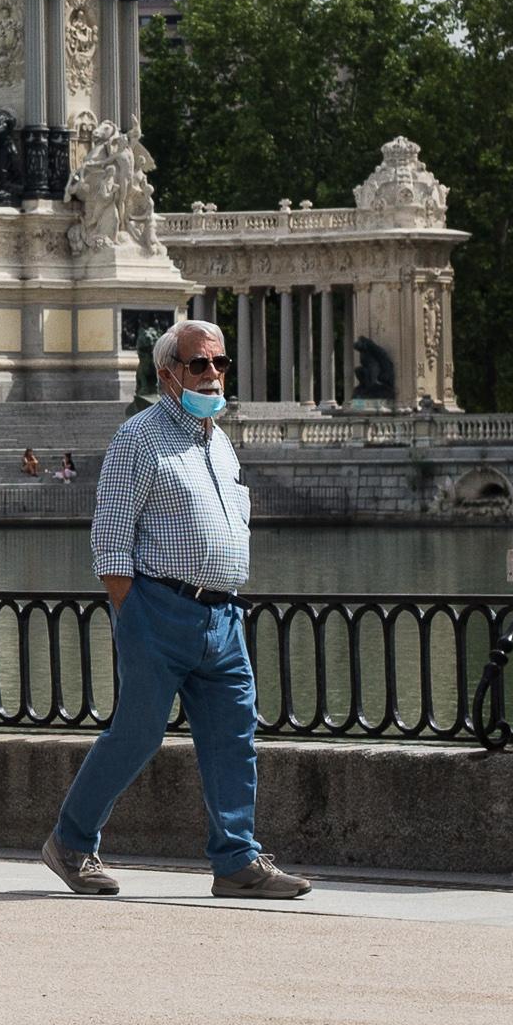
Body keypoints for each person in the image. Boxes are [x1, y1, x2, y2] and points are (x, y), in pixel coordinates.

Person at [42, 320, 311, 900]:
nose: (212, 373)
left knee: (234, 736)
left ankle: (237, 860)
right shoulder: (138, 438)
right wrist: (134, 614)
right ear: (167, 375)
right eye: (198, 365)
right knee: (137, 736)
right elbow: (109, 540)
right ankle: (70, 841)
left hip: (223, 614)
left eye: (219, 363)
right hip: (160, 608)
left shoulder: (219, 437)